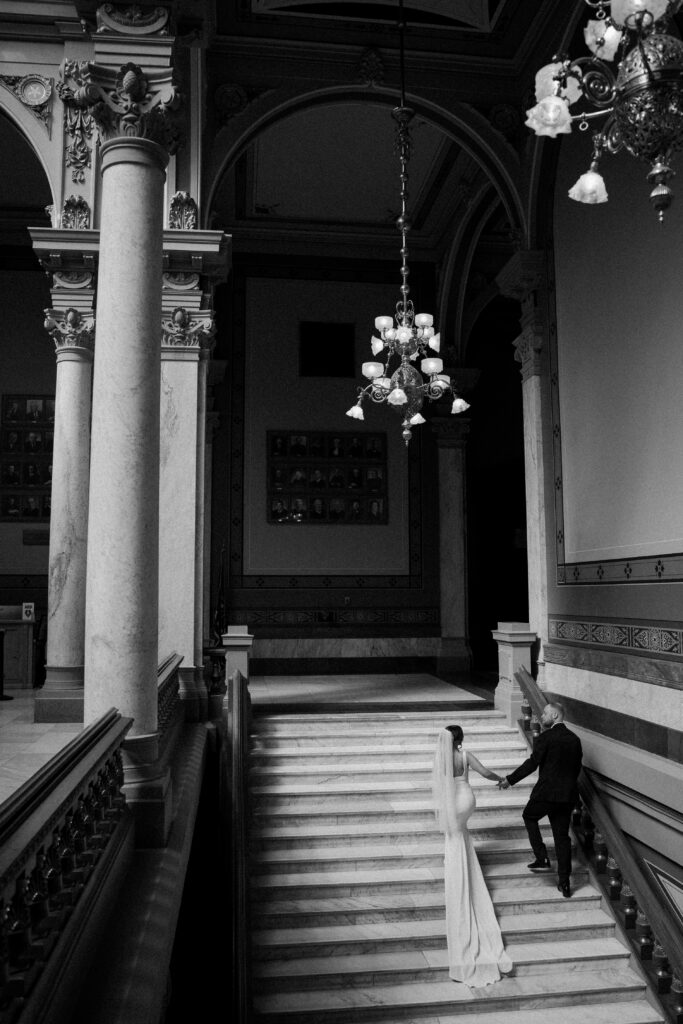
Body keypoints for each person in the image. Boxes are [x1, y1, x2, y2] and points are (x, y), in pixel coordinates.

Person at [432, 726, 512, 987]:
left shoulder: (442, 759)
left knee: (454, 835)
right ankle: (463, 860)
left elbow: (441, 785)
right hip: (468, 799)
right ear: (461, 739)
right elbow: (485, 772)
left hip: (454, 800)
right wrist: (501, 779)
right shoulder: (465, 755)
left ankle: (457, 866)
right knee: (461, 832)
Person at [499, 702, 582, 898]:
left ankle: (542, 857)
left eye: (545, 714)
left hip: (547, 793)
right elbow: (576, 768)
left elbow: (532, 764)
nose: (541, 717)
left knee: (529, 816)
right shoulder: (575, 740)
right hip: (567, 796)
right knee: (562, 838)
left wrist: (509, 780)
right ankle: (565, 883)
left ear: (555, 716)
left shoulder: (546, 737)